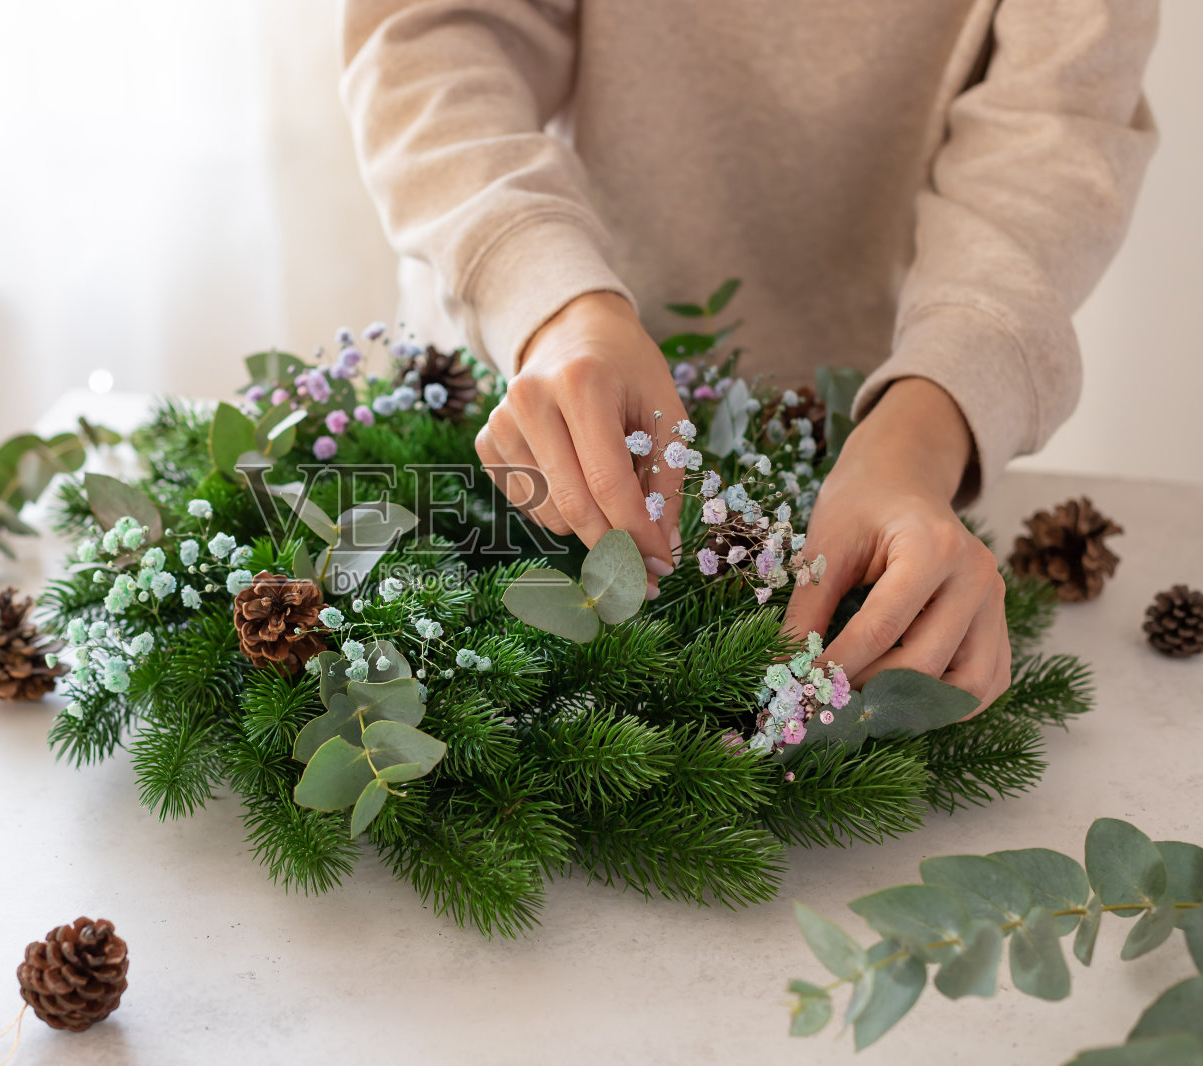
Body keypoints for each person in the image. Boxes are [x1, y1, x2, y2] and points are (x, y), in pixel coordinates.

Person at [339, 0, 1158, 711]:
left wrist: (916, 441)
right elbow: (434, 31)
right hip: (530, 381)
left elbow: (1053, 136)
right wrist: (552, 301)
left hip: (855, 437)